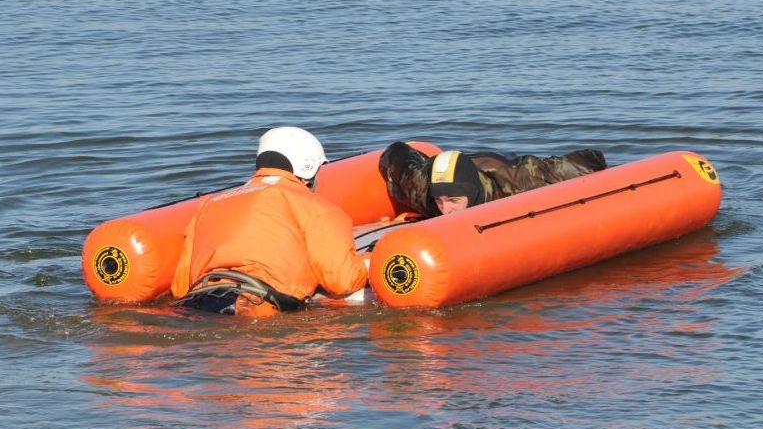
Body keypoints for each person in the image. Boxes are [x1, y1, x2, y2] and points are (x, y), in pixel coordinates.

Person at [171, 126, 369, 317]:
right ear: (309, 168)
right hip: (253, 310)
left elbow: (180, 288)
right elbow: (343, 281)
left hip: (196, 306)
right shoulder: (315, 207)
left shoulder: (208, 204)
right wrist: (369, 262)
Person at [379, 141, 608, 217]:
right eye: (440, 201)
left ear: (470, 194)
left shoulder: (514, 182)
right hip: (439, 167)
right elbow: (396, 151)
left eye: (454, 201)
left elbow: (579, 163)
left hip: (499, 167)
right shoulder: (424, 192)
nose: (445, 210)